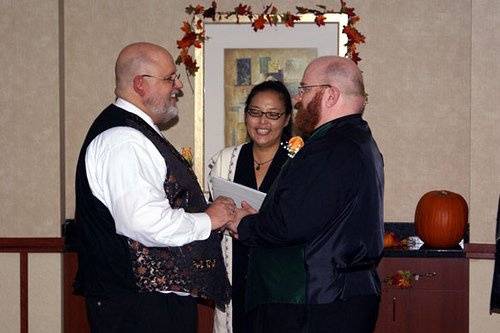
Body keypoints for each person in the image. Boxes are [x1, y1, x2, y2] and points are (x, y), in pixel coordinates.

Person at [73, 42, 234, 333]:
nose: (178, 87)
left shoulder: (134, 133)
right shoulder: (123, 140)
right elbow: (143, 222)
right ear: (140, 84)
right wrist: (209, 220)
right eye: (170, 78)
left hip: (147, 305)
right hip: (136, 308)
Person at [230, 56, 384, 333]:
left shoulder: (330, 148)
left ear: (331, 94)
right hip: (342, 294)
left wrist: (245, 224)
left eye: (304, 89)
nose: (299, 99)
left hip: (321, 298)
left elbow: (291, 223)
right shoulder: (357, 141)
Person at [208, 80, 294, 333]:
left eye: (273, 115)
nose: (262, 122)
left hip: (281, 279)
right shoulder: (225, 159)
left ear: (287, 119)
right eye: (255, 113)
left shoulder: (299, 163)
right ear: (246, 116)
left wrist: (261, 223)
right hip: (235, 272)